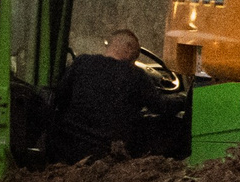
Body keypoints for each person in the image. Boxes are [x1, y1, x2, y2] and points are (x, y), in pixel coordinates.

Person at [49, 29, 166, 162]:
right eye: (134, 59)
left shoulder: (81, 62)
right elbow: (160, 106)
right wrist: (181, 100)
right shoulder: (136, 75)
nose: (132, 63)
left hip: (67, 148)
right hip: (106, 155)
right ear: (128, 48)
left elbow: (59, 97)